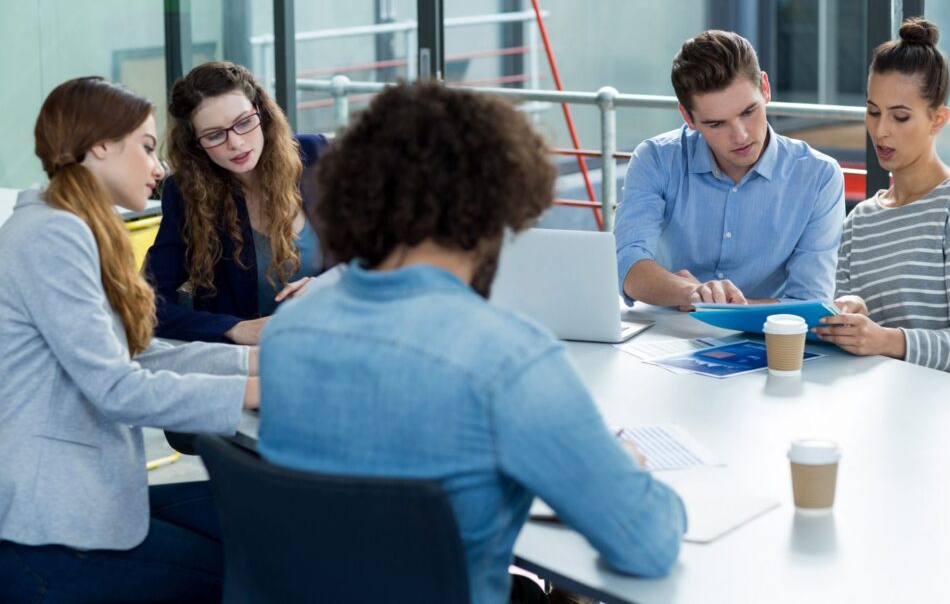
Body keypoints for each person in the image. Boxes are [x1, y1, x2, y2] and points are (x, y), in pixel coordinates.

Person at [257, 82, 686, 604]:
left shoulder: (289, 330)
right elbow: (648, 544)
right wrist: (627, 468)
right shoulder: (507, 359)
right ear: (495, 209)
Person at [0, 77, 260, 602]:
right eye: (145, 148)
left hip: (88, 499)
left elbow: (140, 353)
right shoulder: (54, 234)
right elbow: (119, 389)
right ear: (101, 147)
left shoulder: (70, 225)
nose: (159, 167)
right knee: (258, 561)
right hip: (49, 526)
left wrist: (258, 363)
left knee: (260, 515)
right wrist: (261, 391)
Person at [814, 18, 950, 386]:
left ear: (937, 120)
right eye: (873, 112)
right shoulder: (860, 220)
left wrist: (885, 339)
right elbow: (845, 316)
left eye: (900, 117)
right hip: (905, 400)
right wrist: (848, 315)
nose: (881, 131)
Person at [615, 30, 845, 309]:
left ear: (765, 88)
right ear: (688, 117)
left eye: (748, 112)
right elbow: (629, 266)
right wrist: (694, 294)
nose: (740, 136)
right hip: (666, 333)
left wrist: (716, 305)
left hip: (768, 338)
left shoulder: (819, 177)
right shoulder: (655, 159)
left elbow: (809, 300)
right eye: (716, 124)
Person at [146, 61, 329, 345]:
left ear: (263, 114)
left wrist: (329, 287)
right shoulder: (186, 193)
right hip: (256, 363)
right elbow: (147, 303)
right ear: (195, 143)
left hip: (339, 337)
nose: (236, 143)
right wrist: (234, 328)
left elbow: (384, 253)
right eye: (215, 135)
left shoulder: (314, 154)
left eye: (244, 122)